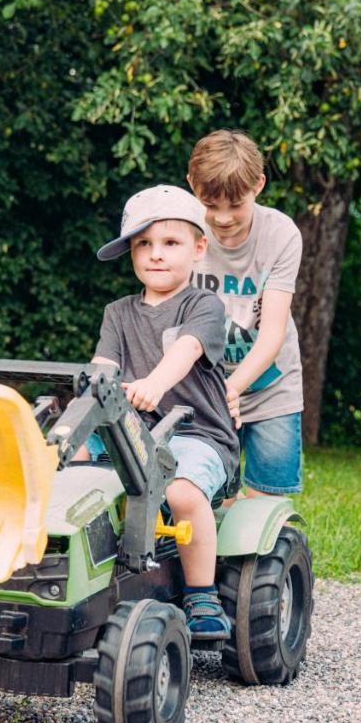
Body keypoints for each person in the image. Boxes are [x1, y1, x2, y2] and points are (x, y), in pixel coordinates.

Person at [86, 184, 239, 640]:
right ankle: (89, 574)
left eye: (169, 243)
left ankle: (201, 594)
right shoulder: (117, 313)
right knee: (74, 474)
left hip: (198, 436)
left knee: (181, 493)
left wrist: (154, 383)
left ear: (198, 248)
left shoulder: (203, 305)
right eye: (143, 244)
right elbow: (103, 368)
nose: (155, 255)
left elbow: (187, 350)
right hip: (131, 433)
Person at [187, 129, 304, 499]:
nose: (222, 218)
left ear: (259, 185)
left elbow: (272, 333)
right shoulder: (180, 230)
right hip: (202, 387)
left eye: (235, 204)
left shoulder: (281, 234)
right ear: (191, 185)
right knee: (210, 496)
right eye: (210, 204)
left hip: (271, 386)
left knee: (266, 504)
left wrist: (233, 388)